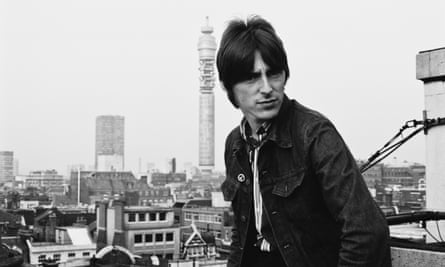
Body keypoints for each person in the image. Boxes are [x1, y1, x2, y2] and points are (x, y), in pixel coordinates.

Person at [217, 15, 392, 267]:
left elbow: (366, 230)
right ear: (229, 87)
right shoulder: (235, 144)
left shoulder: (314, 134)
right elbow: (241, 233)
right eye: (252, 77)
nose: (267, 88)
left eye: (274, 74)